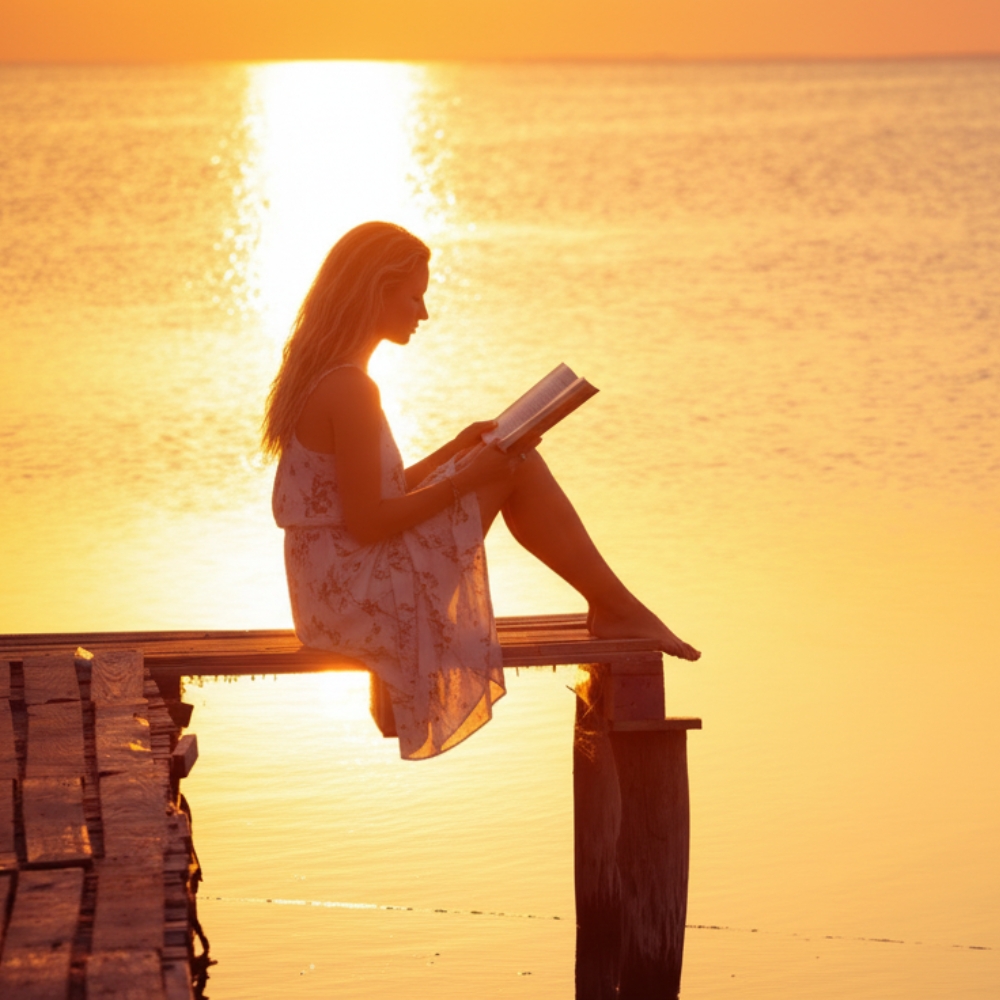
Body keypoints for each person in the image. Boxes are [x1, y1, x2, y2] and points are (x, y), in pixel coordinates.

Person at [263, 221, 699, 760]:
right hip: (353, 599)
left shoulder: (330, 376)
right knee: (514, 466)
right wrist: (469, 478)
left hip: (331, 591)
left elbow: (369, 497)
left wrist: (455, 450)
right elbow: (369, 521)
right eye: (415, 296)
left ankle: (614, 605)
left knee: (507, 459)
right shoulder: (350, 387)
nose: (423, 312)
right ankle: (616, 608)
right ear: (377, 291)